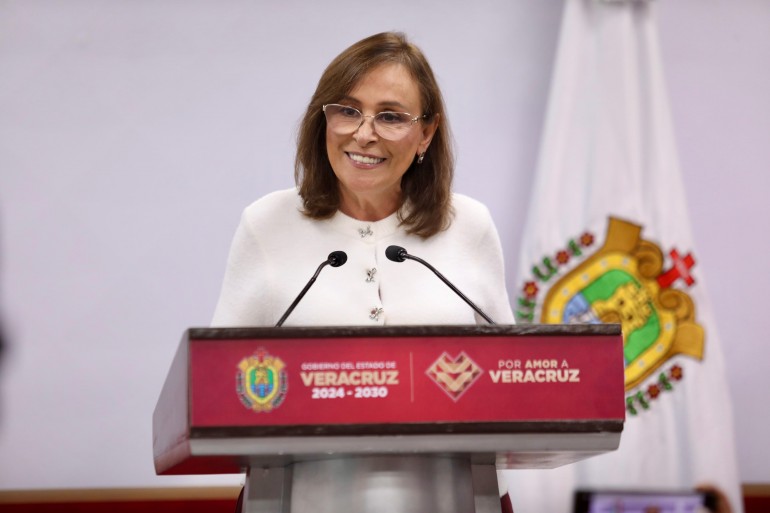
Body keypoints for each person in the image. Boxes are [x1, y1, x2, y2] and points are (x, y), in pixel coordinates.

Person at [212, 31, 515, 512]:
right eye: (348, 111)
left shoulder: (469, 225)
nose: (364, 134)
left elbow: (512, 386)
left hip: (452, 499)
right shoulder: (266, 224)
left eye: (390, 116)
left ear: (427, 133)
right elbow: (219, 389)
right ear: (324, 120)